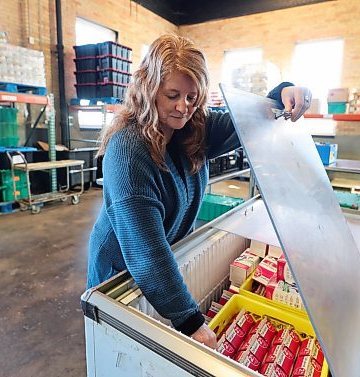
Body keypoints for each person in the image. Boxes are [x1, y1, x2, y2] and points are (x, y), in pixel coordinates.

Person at [87, 34, 312, 349]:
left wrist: (283, 94)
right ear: (149, 89)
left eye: (193, 97)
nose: (184, 107)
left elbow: (245, 122)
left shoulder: (192, 129)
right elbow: (145, 251)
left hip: (160, 265)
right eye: (173, 95)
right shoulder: (128, 152)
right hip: (121, 270)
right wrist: (192, 322)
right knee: (121, 348)